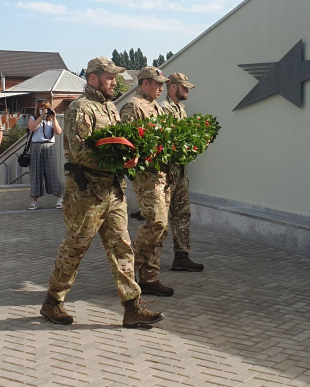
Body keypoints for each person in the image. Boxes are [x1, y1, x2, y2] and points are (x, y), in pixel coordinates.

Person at [40, 56, 163, 327]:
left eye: (115, 78)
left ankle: (132, 307)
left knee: (122, 248)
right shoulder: (80, 108)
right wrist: (118, 160)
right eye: (109, 78)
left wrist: (132, 156)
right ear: (93, 78)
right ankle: (52, 302)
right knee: (75, 248)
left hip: (113, 191)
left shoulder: (110, 107)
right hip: (86, 194)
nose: (114, 82)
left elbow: (117, 143)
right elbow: (81, 151)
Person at [120, 66, 174, 297]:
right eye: (157, 83)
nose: (161, 88)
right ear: (144, 84)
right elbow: (129, 142)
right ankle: (129, 267)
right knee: (157, 223)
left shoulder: (156, 107)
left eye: (162, 84)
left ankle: (150, 277)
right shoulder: (133, 106)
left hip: (164, 174)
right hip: (147, 176)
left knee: (162, 230)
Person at [162, 72, 204, 272]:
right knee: (159, 221)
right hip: (166, 174)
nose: (187, 91)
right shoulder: (164, 110)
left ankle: (182, 256)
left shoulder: (181, 110)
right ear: (173, 87)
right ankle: (146, 262)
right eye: (184, 87)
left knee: (183, 214)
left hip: (180, 173)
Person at [27, 101, 63, 210]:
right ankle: (34, 200)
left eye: (46, 109)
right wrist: (41, 116)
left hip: (49, 146)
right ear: (38, 109)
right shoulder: (33, 118)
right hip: (36, 146)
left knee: (52, 172)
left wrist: (54, 118)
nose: (44, 110)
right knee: (35, 173)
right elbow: (32, 128)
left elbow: (58, 132)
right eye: (41, 109)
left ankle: (59, 197)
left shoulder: (51, 120)